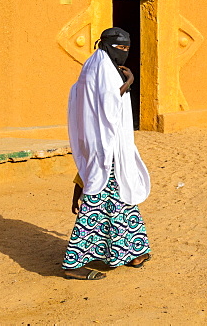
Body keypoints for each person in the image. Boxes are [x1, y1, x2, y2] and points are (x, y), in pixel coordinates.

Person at [62, 27, 152, 280]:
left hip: (100, 144)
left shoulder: (94, 64)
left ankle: (135, 252)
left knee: (121, 198)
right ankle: (73, 263)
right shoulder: (103, 68)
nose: (123, 53)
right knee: (97, 202)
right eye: (119, 48)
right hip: (106, 148)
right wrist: (129, 83)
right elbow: (109, 104)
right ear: (106, 45)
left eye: (127, 49)